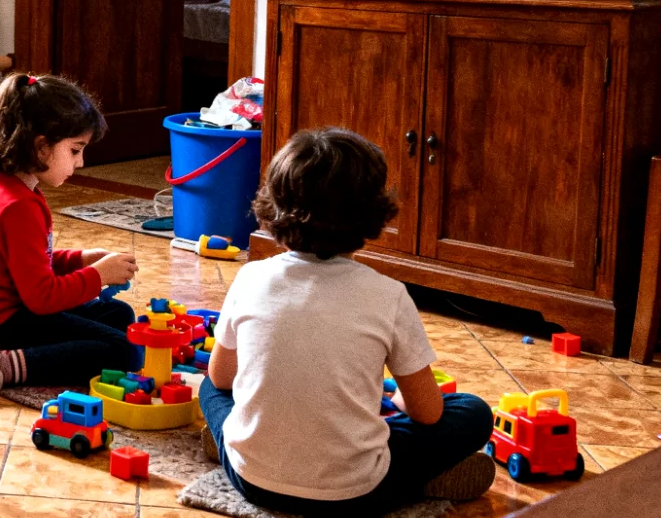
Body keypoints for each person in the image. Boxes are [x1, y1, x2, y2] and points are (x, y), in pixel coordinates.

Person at [199, 129, 495, 516]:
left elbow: (221, 379)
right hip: (355, 494)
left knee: (209, 388)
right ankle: (425, 478)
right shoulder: (389, 294)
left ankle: (230, 442)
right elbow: (429, 413)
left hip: (252, 481)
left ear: (274, 206)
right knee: (472, 412)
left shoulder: (251, 277)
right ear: (373, 214)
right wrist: (399, 402)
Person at [0, 74, 139, 402]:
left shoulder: (11, 187)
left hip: (1, 316)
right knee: (124, 351)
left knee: (119, 315)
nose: (81, 162)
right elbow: (42, 297)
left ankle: (14, 358)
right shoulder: (17, 206)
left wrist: (79, 260)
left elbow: (27, 263)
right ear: (41, 147)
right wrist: (97, 276)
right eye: (75, 150)